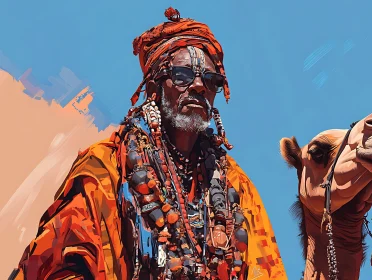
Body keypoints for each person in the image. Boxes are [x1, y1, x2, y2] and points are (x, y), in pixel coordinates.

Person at [9, 7, 287, 280]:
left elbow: (266, 270)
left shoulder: (237, 187)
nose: (200, 86)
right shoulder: (105, 168)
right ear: (153, 87)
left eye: (212, 80)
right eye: (182, 75)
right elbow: (60, 262)